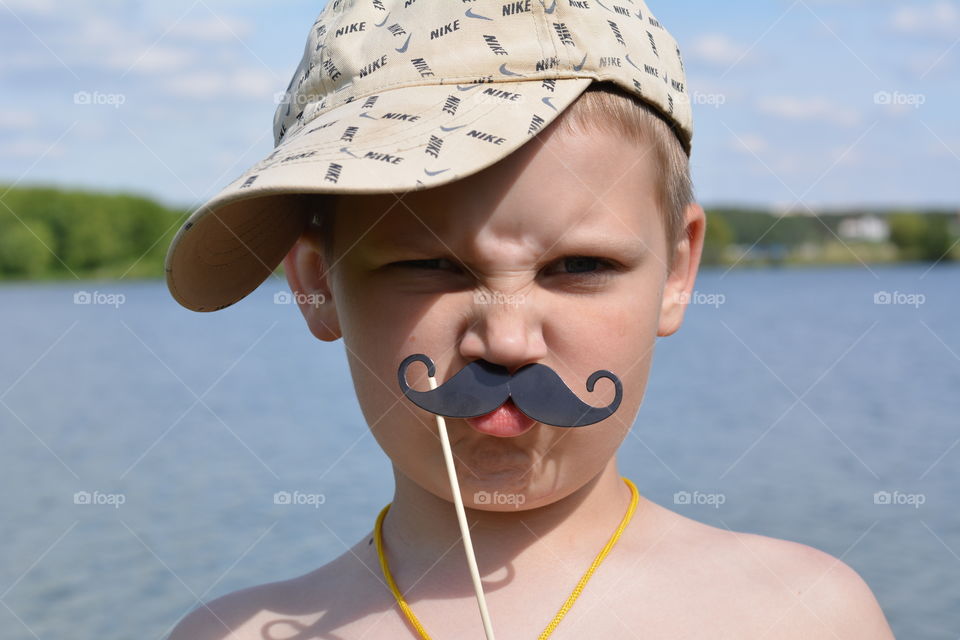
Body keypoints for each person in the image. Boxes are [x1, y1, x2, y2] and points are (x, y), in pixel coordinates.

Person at [165, 1, 895, 637]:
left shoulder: (803, 617)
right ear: (316, 285)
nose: (508, 344)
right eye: (427, 267)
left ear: (677, 272)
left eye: (579, 267)